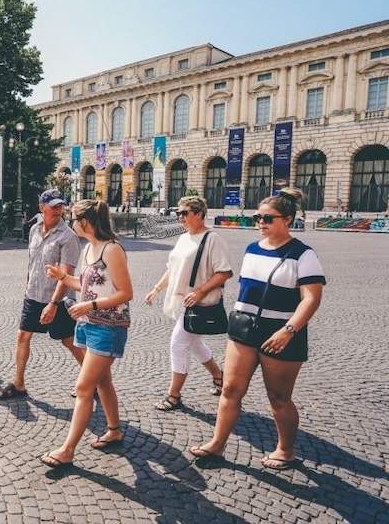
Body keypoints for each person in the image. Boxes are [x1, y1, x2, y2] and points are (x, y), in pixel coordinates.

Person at [190, 188, 325, 470]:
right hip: (243, 328)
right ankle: (217, 444)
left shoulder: (303, 254)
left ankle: (286, 450)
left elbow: (311, 299)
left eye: (267, 218)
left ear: (287, 219)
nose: (261, 222)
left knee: (278, 398)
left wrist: (289, 330)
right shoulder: (252, 249)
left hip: (281, 332)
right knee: (230, 389)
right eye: (257, 217)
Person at [40, 199, 134, 468]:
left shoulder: (112, 250)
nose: (70, 223)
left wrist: (88, 305)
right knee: (103, 381)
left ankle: (68, 450)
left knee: (83, 387)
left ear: (86, 222)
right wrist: (61, 276)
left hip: (109, 326)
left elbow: (125, 293)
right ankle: (114, 430)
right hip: (88, 324)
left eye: (73, 218)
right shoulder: (89, 249)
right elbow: (85, 285)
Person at [144, 196, 233, 411]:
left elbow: (225, 272)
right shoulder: (184, 238)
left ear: (199, 213)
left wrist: (200, 292)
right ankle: (219, 375)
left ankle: (174, 395)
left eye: (184, 213)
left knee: (178, 343)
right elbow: (172, 268)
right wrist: (156, 289)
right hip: (181, 302)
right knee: (194, 342)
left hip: (198, 303)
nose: (180, 217)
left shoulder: (212, 239)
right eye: (178, 213)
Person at [0, 189, 83, 400]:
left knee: (69, 341)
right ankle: (18, 383)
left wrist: (53, 305)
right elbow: (32, 263)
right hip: (33, 295)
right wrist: (27, 286)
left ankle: (94, 380)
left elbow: (66, 275)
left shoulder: (68, 237)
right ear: (41, 208)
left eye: (61, 205)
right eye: (53, 206)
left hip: (58, 299)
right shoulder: (34, 229)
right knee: (22, 336)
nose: (58, 210)